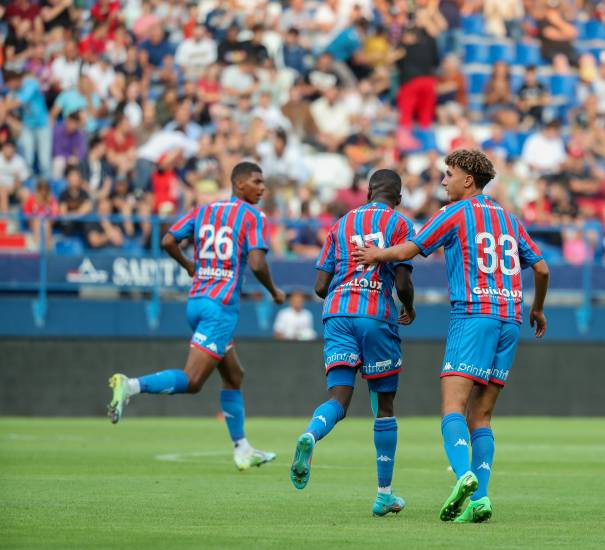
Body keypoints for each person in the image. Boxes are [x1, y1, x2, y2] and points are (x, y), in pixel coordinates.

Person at [352, 150, 550, 524]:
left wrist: (378, 255)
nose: (443, 181)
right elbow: (541, 268)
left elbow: (411, 249)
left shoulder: (455, 214)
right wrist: (536, 308)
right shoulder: (510, 219)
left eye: (448, 174)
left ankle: (464, 477)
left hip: (474, 315)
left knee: (452, 409)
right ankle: (482, 499)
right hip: (510, 319)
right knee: (483, 416)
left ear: (468, 181)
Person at [106, 162, 286, 471]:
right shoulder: (254, 216)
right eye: (257, 181)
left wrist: (189, 265)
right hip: (220, 309)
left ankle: (242, 448)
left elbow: (167, 241)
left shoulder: (205, 210)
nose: (262, 188)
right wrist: (274, 291)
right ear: (239, 184)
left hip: (197, 301)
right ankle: (130, 385)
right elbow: (257, 264)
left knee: (234, 375)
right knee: (192, 381)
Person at [289, 169, 416, 518]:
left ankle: (311, 436)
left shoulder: (341, 223)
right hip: (375, 315)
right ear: (399, 198)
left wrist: (346, 289)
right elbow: (403, 281)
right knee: (384, 407)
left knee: (339, 399)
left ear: (368, 193)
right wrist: (408, 306)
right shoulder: (401, 224)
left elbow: (318, 286)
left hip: (337, 314)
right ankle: (383, 494)